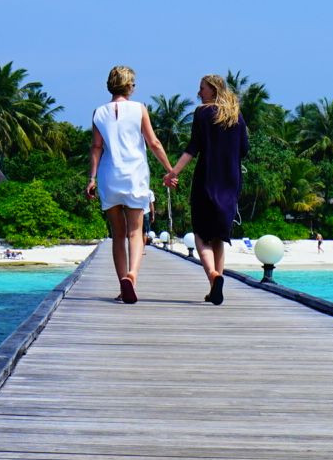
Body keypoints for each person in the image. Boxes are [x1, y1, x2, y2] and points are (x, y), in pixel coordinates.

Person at [86, 65, 174, 304]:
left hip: (108, 176)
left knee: (118, 235)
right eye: (133, 83)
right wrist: (170, 170)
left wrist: (91, 179)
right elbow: (154, 143)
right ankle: (132, 276)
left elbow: (96, 147)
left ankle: (122, 285)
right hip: (134, 175)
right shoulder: (139, 109)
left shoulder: (98, 112)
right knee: (136, 232)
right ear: (128, 86)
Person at [164, 74, 249, 305]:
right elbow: (244, 149)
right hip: (230, 180)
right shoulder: (236, 114)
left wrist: (173, 173)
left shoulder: (202, 113)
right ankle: (215, 288)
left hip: (207, 178)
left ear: (213, 89)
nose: (199, 93)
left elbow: (193, 148)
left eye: (202, 88)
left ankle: (213, 275)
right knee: (219, 235)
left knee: (201, 234)